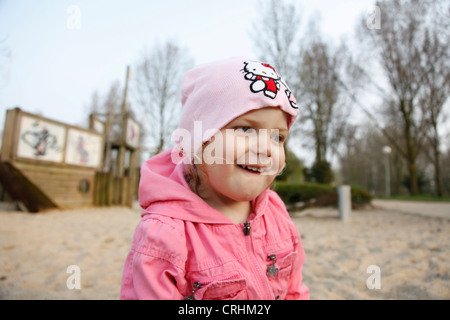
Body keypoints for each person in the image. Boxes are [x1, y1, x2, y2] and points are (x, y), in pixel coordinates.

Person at [120, 57, 309, 300]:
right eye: (245, 129)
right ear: (198, 142)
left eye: (278, 137)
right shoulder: (167, 235)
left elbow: (294, 289)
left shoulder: (275, 212)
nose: (266, 148)